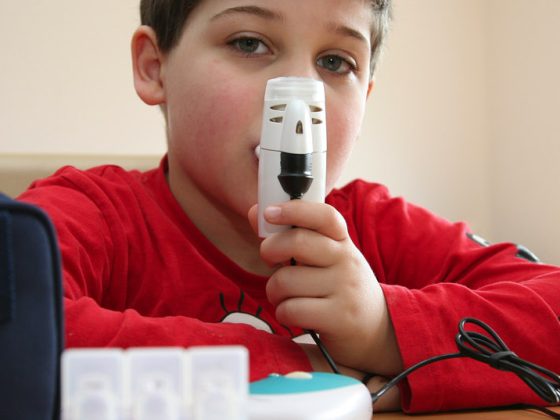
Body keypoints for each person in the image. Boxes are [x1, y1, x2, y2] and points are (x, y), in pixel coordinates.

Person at [18, 0, 560, 414]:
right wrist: (309, 367)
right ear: (154, 67)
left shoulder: (374, 225)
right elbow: (19, 332)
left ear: (365, 99)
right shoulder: (95, 214)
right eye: (249, 43)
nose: (300, 95)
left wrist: (384, 332)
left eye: (335, 62)